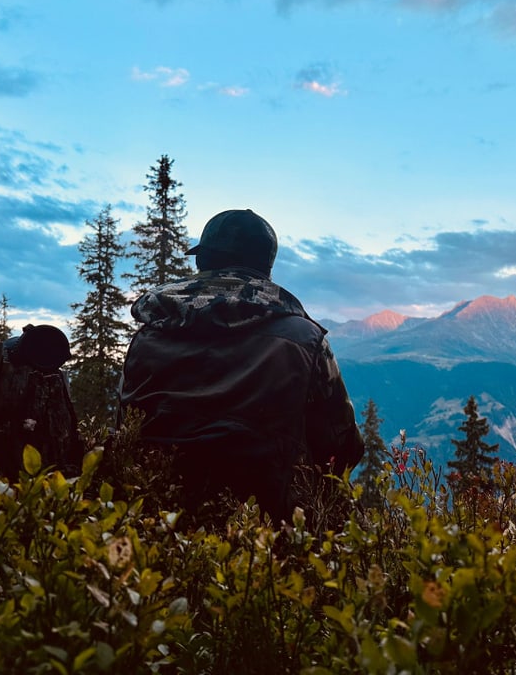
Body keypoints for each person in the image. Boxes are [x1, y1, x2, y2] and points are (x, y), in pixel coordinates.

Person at [119, 209, 364, 523]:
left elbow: (126, 425)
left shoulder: (150, 332)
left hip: (155, 518)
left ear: (201, 261)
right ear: (266, 267)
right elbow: (341, 444)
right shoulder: (304, 340)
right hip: (265, 530)